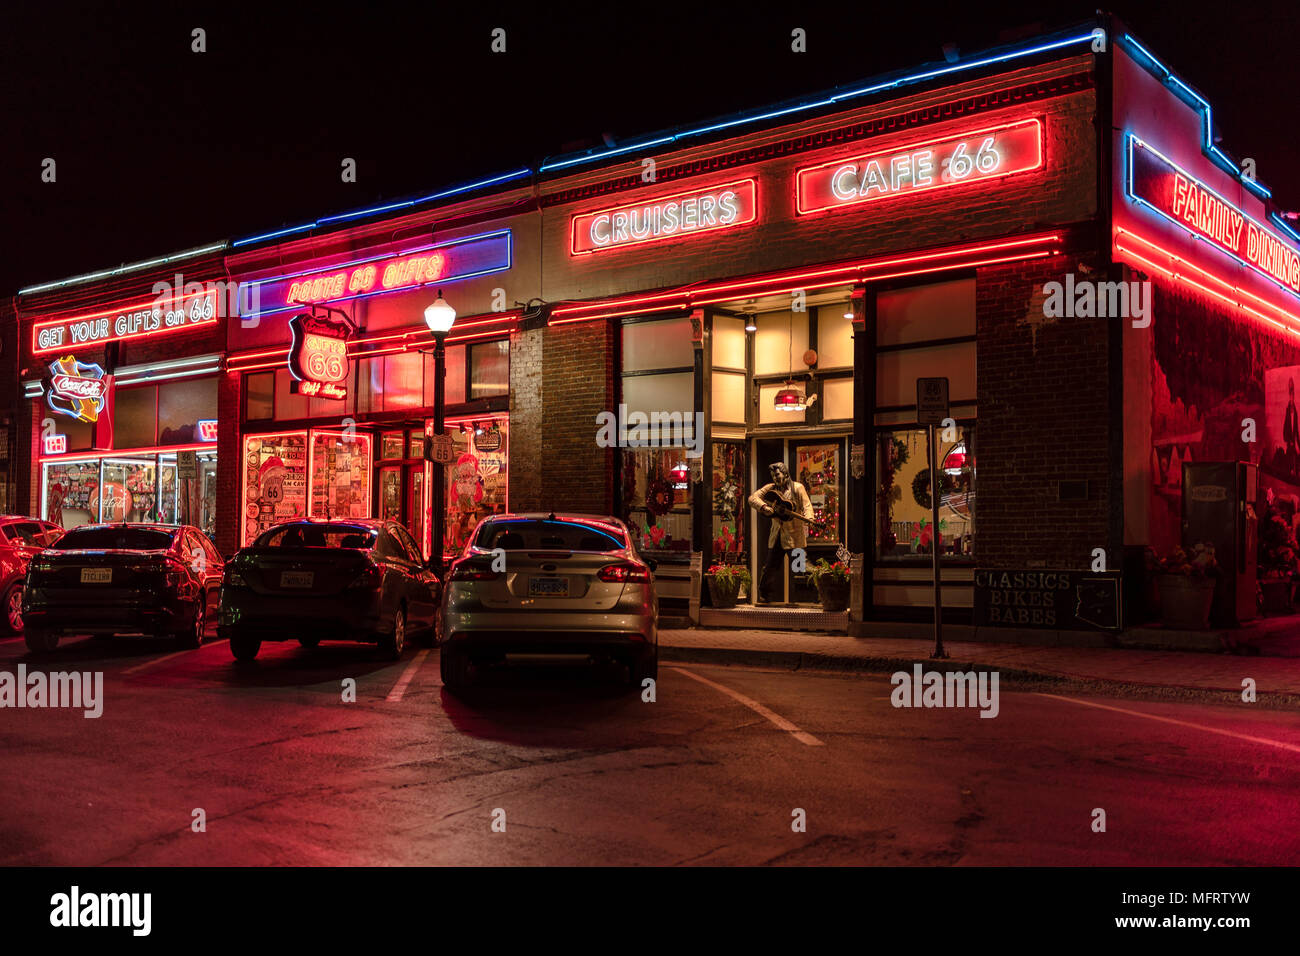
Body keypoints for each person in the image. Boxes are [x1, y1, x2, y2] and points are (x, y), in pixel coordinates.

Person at [747, 462, 814, 604]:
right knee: (770, 568)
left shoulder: (797, 488)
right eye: (773, 476)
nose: (775, 478)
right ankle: (764, 596)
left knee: (801, 567)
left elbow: (807, 505)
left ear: (785, 473)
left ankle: (810, 596)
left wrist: (810, 518)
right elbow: (752, 498)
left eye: (777, 474)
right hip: (777, 535)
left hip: (794, 536)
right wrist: (764, 507)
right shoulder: (771, 488)